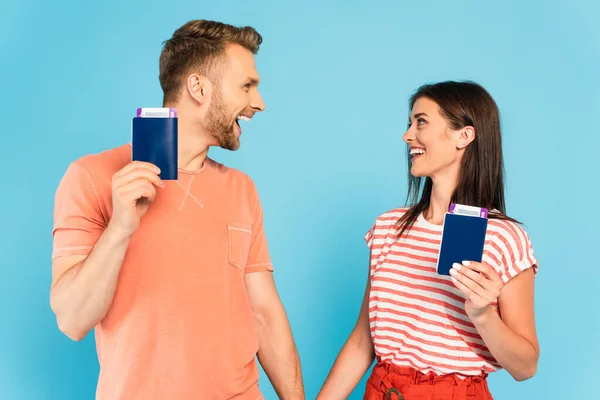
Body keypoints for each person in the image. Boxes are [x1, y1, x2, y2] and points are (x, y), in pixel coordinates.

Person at [50, 19, 304, 400]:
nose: (259, 103)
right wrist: (120, 227)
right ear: (199, 87)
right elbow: (72, 320)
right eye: (247, 86)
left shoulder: (241, 189)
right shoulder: (92, 176)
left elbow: (264, 312)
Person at [317, 81, 539, 400]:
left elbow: (525, 367)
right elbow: (361, 342)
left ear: (464, 136)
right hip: (383, 390)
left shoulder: (505, 238)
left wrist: (482, 314)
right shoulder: (387, 227)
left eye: (421, 121)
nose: (408, 135)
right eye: (409, 123)